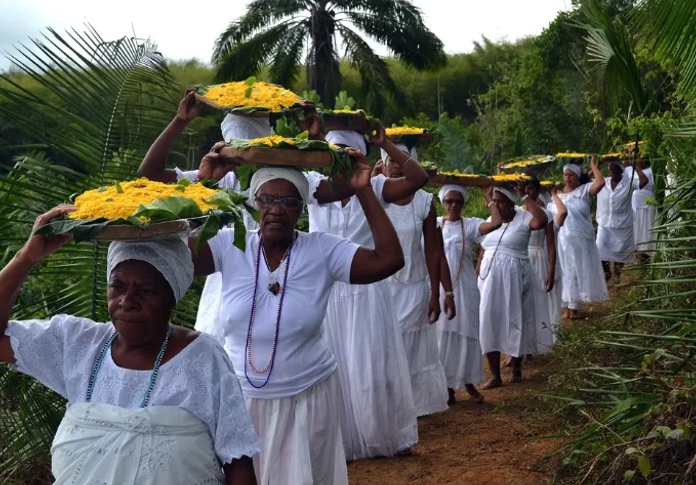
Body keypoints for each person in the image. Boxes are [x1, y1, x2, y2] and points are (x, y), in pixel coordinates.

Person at [0, 207, 260, 485]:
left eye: (145, 291)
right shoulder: (76, 343)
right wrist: (26, 257)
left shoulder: (203, 358)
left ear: (173, 297)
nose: (127, 301)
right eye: (118, 286)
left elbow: (238, 461)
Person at [189, 152, 405, 484]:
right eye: (268, 199)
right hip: (239, 402)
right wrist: (204, 187)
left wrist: (363, 190)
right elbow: (173, 258)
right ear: (255, 202)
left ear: (302, 209)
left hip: (306, 400)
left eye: (289, 200)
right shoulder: (230, 244)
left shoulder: (323, 250)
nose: (277, 208)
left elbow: (388, 259)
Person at [304, 127, 425, 460]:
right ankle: (341, 442)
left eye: (347, 150)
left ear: (359, 154)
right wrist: (311, 135)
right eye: (333, 150)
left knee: (372, 365)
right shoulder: (313, 186)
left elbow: (418, 178)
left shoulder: (374, 185)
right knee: (334, 367)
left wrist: (384, 143)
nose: (339, 156)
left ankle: (385, 434)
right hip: (326, 293)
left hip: (367, 290)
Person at [381, 146, 450, 417]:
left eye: (402, 161)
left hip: (415, 286)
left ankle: (415, 406)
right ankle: (391, 406)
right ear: (383, 167)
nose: (396, 167)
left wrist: (436, 292)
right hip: (382, 287)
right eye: (391, 162)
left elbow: (433, 250)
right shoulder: (375, 198)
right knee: (386, 347)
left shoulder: (424, 201)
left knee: (412, 348)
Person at [477, 183, 549, 389]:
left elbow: (542, 220)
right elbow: (483, 250)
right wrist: (478, 272)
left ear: (511, 203)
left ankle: (516, 367)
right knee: (488, 320)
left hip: (516, 277)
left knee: (516, 318)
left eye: (501, 202)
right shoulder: (489, 222)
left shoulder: (524, 218)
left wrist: (524, 197)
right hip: (489, 279)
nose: (498, 206)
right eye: (495, 202)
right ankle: (494, 375)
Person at [436, 184, 501, 404]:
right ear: (442, 203)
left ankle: (468, 382)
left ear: (463, 204)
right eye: (449, 201)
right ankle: (446, 387)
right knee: (443, 335)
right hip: (440, 287)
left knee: (467, 332)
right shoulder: (435, 224)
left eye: (458, 201)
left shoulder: (470, 224)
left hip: (464, 285)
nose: (453, 205)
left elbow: (496, 223)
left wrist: (489, 199)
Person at [556, 157, 608, 320]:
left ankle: (573, 307)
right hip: (562, 239)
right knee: (565, 271)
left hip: (579, 239)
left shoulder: (584, 190)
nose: (567, 177)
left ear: (578, 176)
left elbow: (600, 183)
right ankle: (568, 305)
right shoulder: (557, 194)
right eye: (565, 174)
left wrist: (593, 165)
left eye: (571, 175)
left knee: (574, 271)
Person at [524, 178, 565, 344]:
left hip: (538, 257)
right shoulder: (516, 212)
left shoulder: (545, 214)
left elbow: (550, 244)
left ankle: (542, 334)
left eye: (531, 189)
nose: (527, 193)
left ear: (537, 191)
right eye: (524, 189)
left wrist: (551, 270)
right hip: (522, 257)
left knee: (539, 297)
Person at [596, 161, 648, 283]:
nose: (612, 171)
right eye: (611, 169)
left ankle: (617, 275)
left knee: (620, 252)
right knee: (600, 249)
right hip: (604, 223)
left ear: (621, 171)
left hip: (622, 224)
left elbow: (644, 181)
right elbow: (586, 181)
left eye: (615, 169)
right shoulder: (603, 183)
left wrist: (635, 167)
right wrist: (596, 167)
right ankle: (606, 272)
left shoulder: (628, 183)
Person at [625, 159, 657, 264]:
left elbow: (650, 184)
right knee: (636, 232)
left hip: (647, 205)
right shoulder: (628, 170)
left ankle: (645, 257)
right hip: (634, 205)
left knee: (645, 231)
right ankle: (637, 257)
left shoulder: (653, 169)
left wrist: (636, 167)